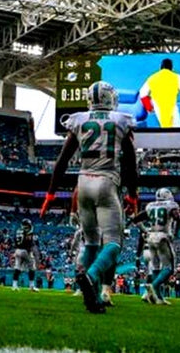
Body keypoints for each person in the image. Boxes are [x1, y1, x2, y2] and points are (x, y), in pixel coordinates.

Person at [41, 81, 138, 314]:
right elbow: (130, 162)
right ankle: (91, 277)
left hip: (82, 182)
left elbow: (62, 160)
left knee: (91, 242)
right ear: (110, 99)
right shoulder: (121, 121)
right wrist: (133, 195)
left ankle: (91, 297)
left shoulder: (79, 120)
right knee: (114, 242)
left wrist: (50, 193)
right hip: (107, 181)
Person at [138, 187, 179, 306]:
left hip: (150, 237)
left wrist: (145, 230)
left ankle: (158, 297)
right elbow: (177, 218)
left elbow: (136, 219)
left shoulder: (150, 206)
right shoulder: (170, 205)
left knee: (156, 267)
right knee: (169, 268)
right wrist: (175, 233)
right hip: (162, 236)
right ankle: (153, 286)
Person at [138, 58, 180, 128]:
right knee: (177, 128)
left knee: (164, 128)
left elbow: (142, 93)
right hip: (171, 106)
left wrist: (149, 107)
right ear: (171, 67)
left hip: (158, 107)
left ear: (161, 67)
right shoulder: (176, 77)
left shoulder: (152, 77)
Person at [12, 218, 40, 292]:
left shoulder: (18, 231)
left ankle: (14, 285)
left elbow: (14, 240)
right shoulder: (27, 231)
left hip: (17, 250)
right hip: (25, 250)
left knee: (17, 268)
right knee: (32, 267)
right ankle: (31, 286)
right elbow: (29, 242)